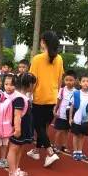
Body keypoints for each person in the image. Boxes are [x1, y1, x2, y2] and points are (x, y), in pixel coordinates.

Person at [28, 31, 64, 167]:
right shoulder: (59, 59)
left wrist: (29, 94)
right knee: (43, 126)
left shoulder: (37, 58)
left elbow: (33, 80)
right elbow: (60, 79)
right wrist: (56, 93)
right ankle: (36, 151)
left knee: (38, 126)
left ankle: (50, 152)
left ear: (43, 42)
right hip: (52, 96)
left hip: (39, 96)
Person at [7, 73, 37, 176]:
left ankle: (15, 168)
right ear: (29, 84)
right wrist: (17, 129)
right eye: (34, 84)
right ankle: (12, 171)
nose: (34, 86)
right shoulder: (19, 97)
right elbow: (17, 115)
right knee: (14, 148)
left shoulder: (23, 96)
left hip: (24, 127)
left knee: (19, 148)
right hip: (19, 127)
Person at [69, 75, 88, 161]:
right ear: (80, 83)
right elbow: (72, 106)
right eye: (83, 81)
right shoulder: (76, 93)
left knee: (82, 136)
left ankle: (80, 151)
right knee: (76, 135)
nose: (85, 83)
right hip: (77, 118)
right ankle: (75, 152)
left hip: (86, 120)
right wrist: (70, 118)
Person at [53, 70, 76, 154]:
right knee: (59, 131)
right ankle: (55, 146)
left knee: (66, 131)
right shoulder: (62, 90)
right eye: (67, 80)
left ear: (75, 81)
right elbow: (58, 101)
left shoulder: (76, 92)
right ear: (64, 80)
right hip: (61, 114)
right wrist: (55, 110)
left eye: (71, 80)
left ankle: (64, 146)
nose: (69, 82)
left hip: (69, 115)